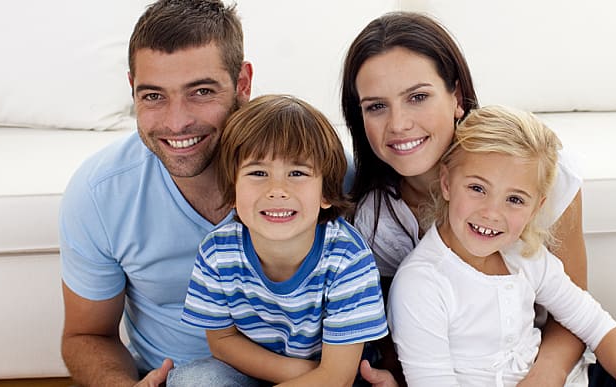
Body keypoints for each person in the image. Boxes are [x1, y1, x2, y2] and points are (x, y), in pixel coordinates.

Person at [341, 11, 616, 387]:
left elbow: (580, 315)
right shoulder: (379, 226)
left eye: (417, 97)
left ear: (457, 98)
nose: (399, 123)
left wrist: (547, 377)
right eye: (376, 106)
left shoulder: (536, 172)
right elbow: (405, 351)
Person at [58, 1, 253, 386]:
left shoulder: (320, 168)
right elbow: (86, 334)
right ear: (132, 90)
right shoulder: (100, 193)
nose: (177, 122)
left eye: (200, 91)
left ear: (242, 84)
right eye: (153, 96)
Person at [388, 105, 616, 386]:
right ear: (447, 183)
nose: (491, 212)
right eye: (477, 189)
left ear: (537, 208)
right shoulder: (421, 284)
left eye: (514, 200)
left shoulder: (526, 256)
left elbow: (598, 325)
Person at [166, 94, 388, 386]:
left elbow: (338, 377)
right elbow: (222, 341)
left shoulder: (347, 258)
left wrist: (321, 376)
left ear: (325, 193)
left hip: (337, 378)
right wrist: (295, 374)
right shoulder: (217, 251)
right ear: (233, 190)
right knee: (193, 380)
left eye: (297, 173)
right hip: (264, 371)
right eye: (258, 173)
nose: (277, 190)